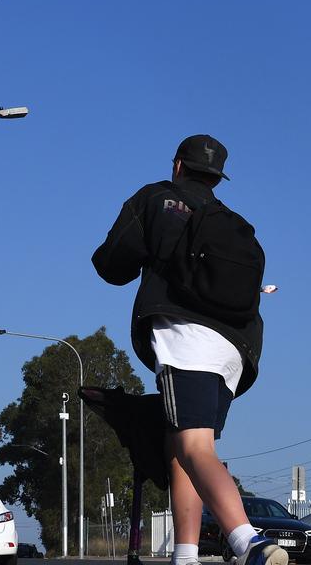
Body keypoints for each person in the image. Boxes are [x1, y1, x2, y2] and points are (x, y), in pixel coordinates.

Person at [91, 134, 283, 565]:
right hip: (237, 348)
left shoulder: (156, 199)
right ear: (217, 177)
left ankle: (246, 540)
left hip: (186, 339)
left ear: (178, 165)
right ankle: (185, 555)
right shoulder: (231, 220)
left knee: (196, 448)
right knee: (181, 447)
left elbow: (111, 265)